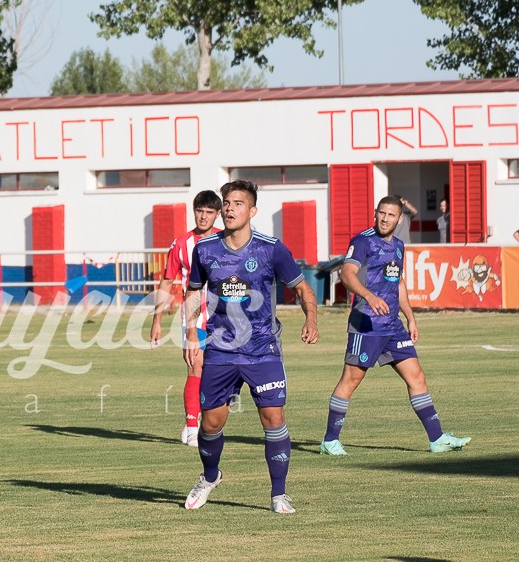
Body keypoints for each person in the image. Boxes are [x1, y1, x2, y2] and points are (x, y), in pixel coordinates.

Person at [181, 180, 319, 514]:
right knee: (210, 424)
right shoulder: (206, 249)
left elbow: (303, 289)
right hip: (220, 349)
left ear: (252, 211)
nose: (229, 208)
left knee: (273, 417)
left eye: (238, 203)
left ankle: (279, 494)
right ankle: (210, 476)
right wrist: (190, 333)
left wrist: (311, 318)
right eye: (227, 203)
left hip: (262, 348)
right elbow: (194, 293)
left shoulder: (271, 249)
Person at [320, 197, 472, 457]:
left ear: (399, 219)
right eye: (381, 213)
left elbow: (398, 283)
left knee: (417, 377)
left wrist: (411, 317)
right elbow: (347, 274)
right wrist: (369, 296)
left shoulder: (399, 246)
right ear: (375, 213)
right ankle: (330, 441)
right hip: (365, 325)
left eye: (390, 215)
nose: (384, 218)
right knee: (351, 380)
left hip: (393, 326)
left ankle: (437, 439)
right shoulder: (362, 241)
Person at [150, 190, 222, 447]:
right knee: (195, 366)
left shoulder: (226, 240)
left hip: (224, 317)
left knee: (221, 372)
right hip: (193, 317)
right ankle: (193, 426)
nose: (203, 217)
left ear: (217, 214)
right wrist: (156, 321)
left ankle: (206, 418)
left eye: (209, 212)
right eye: (199, 211)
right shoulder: (181, 244)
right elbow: (167, 280)